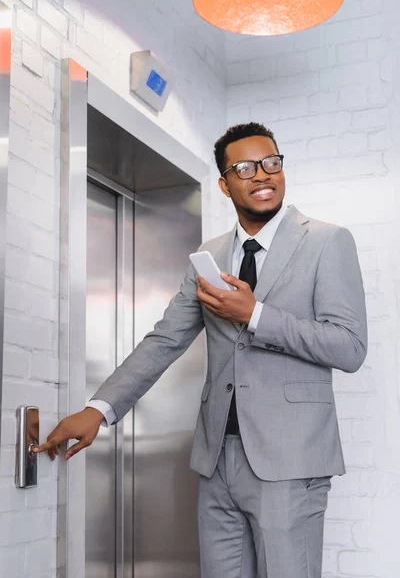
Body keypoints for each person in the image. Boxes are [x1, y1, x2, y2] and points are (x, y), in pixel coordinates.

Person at [34, 122, 368, 578]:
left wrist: (255, 314)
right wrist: (99, 409)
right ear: (224, 183)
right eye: (245, 168)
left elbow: (349, 347)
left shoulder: (327, 241)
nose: (263, 175)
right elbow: (165, 339)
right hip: (217, 463)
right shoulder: (209, 255)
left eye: (272, 163)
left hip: (291, 463)